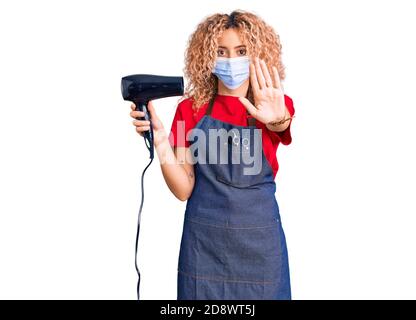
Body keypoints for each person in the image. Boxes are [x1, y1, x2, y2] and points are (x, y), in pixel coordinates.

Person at [129, 9, 295, 300]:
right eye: (221, 51)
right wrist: (161, 141)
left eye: (241, 51)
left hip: (260, 248)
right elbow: (183, 189)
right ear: (207, 57)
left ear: (257, 54)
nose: (231, 60)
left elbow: (281, 121)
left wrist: (277, 117)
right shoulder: (189, 109)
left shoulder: (275, 103)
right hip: (204, 247)